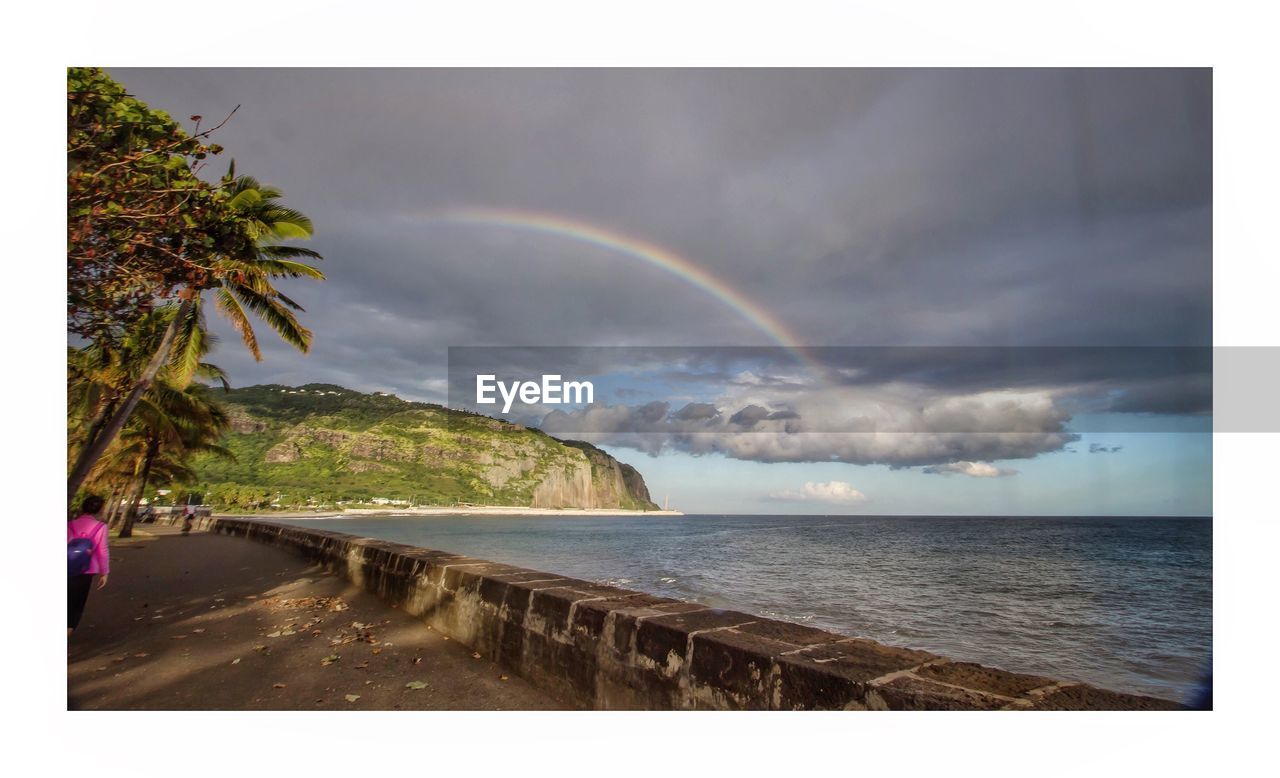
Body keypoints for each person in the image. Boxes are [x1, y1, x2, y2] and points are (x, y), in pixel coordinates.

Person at [68, 495, 109, 637]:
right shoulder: (101, 527)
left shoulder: (69, 524)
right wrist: (105, 572)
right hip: (86, 569)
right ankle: (68, 630)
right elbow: (102, 550)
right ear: (100, 510)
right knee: (76, 604)